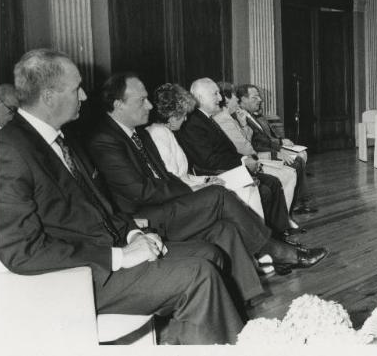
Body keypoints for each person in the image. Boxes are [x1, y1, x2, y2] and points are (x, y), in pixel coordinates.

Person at [0, 49, 244, 344]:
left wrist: (132, 235)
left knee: (211, 253)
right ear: (49, 96)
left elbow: (103, 207)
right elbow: (21, 252)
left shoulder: (65, 138)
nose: (85, 97)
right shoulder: (9, 150)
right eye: (77, 88)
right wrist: (118, 256)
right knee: (198, 274)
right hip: (77, 277)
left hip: (111, 251)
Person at [88, 73, 327, 288]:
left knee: (224, 228)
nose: (149, 105)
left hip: (163, 204)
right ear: (118, 104)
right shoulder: (105, 139)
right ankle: (277, 251)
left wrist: (196, 185)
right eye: (142, 100)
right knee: (219, 196)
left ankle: (244, 296)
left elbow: (164, 176)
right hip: (142, 217)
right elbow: (141, 191)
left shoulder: (137, 134)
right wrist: (193, 190)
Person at [176, 78, 306, 236]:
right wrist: (243, 161)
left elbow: (230, 149)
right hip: (217, 173)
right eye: (215, 94)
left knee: (272, 182)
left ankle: (278, 233)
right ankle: (268, 238)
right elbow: (209, 160)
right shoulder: (195, 123)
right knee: (267, 186)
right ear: (200, 98)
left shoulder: (206, 118)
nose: (220, 98)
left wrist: (244, 160)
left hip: (230, 166)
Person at [146, 83, 265, 218]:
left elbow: (184, 176)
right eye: (183, 115)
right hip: (180, 199)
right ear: (173, 115)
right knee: (245, 189)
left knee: (248, 184)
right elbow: (171, 182)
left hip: (190, 187)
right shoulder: (158, 134)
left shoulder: (168, 132)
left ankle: (255, 236)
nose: (185, 119)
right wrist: (205, 185)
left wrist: (206, 179)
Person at [214, 81, 298, 212]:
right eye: (235, 96)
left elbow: (249, 141)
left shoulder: (236, 116)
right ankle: (282, 219)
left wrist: (243, 126)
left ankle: (285, 216)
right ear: (227, 98)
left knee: (289, 170)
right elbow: (247, 148)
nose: (237, 99)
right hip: (245, 162)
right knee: (286, 174)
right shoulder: (225, 118)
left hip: (252, 157)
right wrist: (272, 153)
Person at [235, 84, 317, 214]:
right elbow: (254, 145)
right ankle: (294, 205)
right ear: (242, 99)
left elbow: (266, 139)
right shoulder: (239, 118)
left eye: (259, 97)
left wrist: (280, 149)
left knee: (298, 158)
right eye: (254, 97)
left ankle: (301, 202)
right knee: (296, 162)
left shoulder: (252, 116)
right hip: (259, 156)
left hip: (269, 151)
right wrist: (277, 153)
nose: (260, 100)